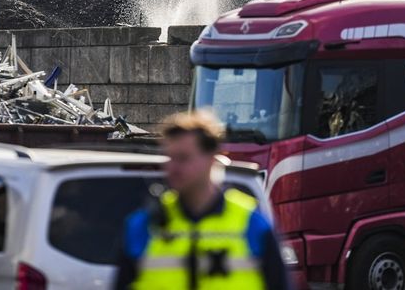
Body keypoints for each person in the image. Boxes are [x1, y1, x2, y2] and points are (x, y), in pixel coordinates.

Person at [114, 111, 292, 290]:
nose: (172, 167)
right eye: (170, 158)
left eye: (183, 158)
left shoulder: (252, 225)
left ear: (211, 159)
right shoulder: (143, 226)